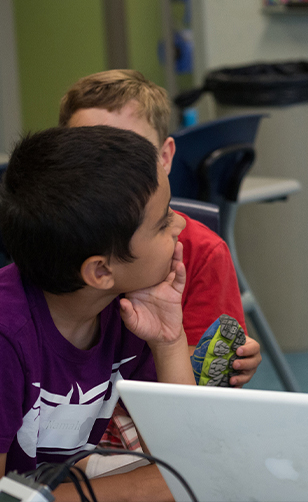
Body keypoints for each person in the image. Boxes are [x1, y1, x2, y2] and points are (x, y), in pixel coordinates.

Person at [0, 126, 195, 499]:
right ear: (101, 271)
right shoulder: (7, 336)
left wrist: (169, 341)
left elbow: (183, 449)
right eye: (163, 221)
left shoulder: (126, 304)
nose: (181, 224)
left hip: (49, 483)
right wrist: (144, 488)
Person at [58, 69, 261, 384]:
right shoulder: (49, 240)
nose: (107, 175)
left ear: (164, 157)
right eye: (85, 154)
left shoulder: (201, 253)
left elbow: (198, 393)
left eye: (129, 155)